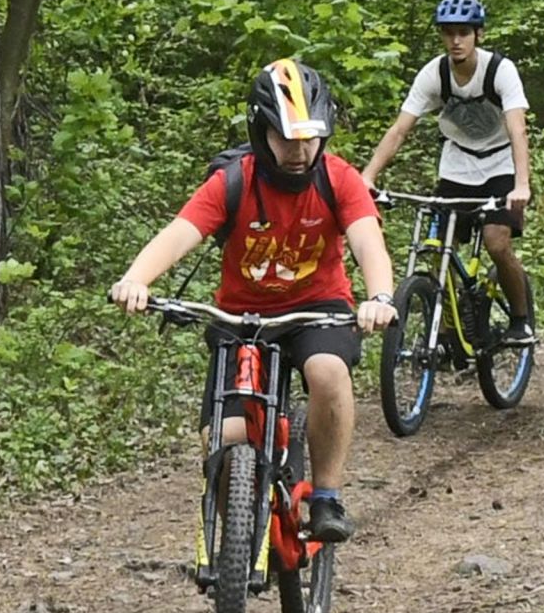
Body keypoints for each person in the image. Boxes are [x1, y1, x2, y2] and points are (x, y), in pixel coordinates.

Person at [110, 59, 396, 543]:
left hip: (317, 307)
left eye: (309, 137)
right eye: (285, 138)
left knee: (327, 370)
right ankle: (242, 538)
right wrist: (135, 279)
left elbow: (368, 241)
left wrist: (380, 296)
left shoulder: (338, 178)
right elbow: (180, 234)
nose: (300, 151)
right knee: (223, 440)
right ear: (260, 132)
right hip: (240, 318)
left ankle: (326, 496)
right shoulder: (234, 182)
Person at [359, 0, 535, 343]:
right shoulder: (435, 74)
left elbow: (517, 128)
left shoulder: (500, 70)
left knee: (497, 244)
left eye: (463, 33)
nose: (456, 40)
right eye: (448, 33)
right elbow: (399, 129)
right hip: (457, 166)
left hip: (500, 165)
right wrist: (367, 176)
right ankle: (450, 324)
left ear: (478, 35)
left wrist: (522, 184)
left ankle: (520, 320)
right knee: (439, 247)